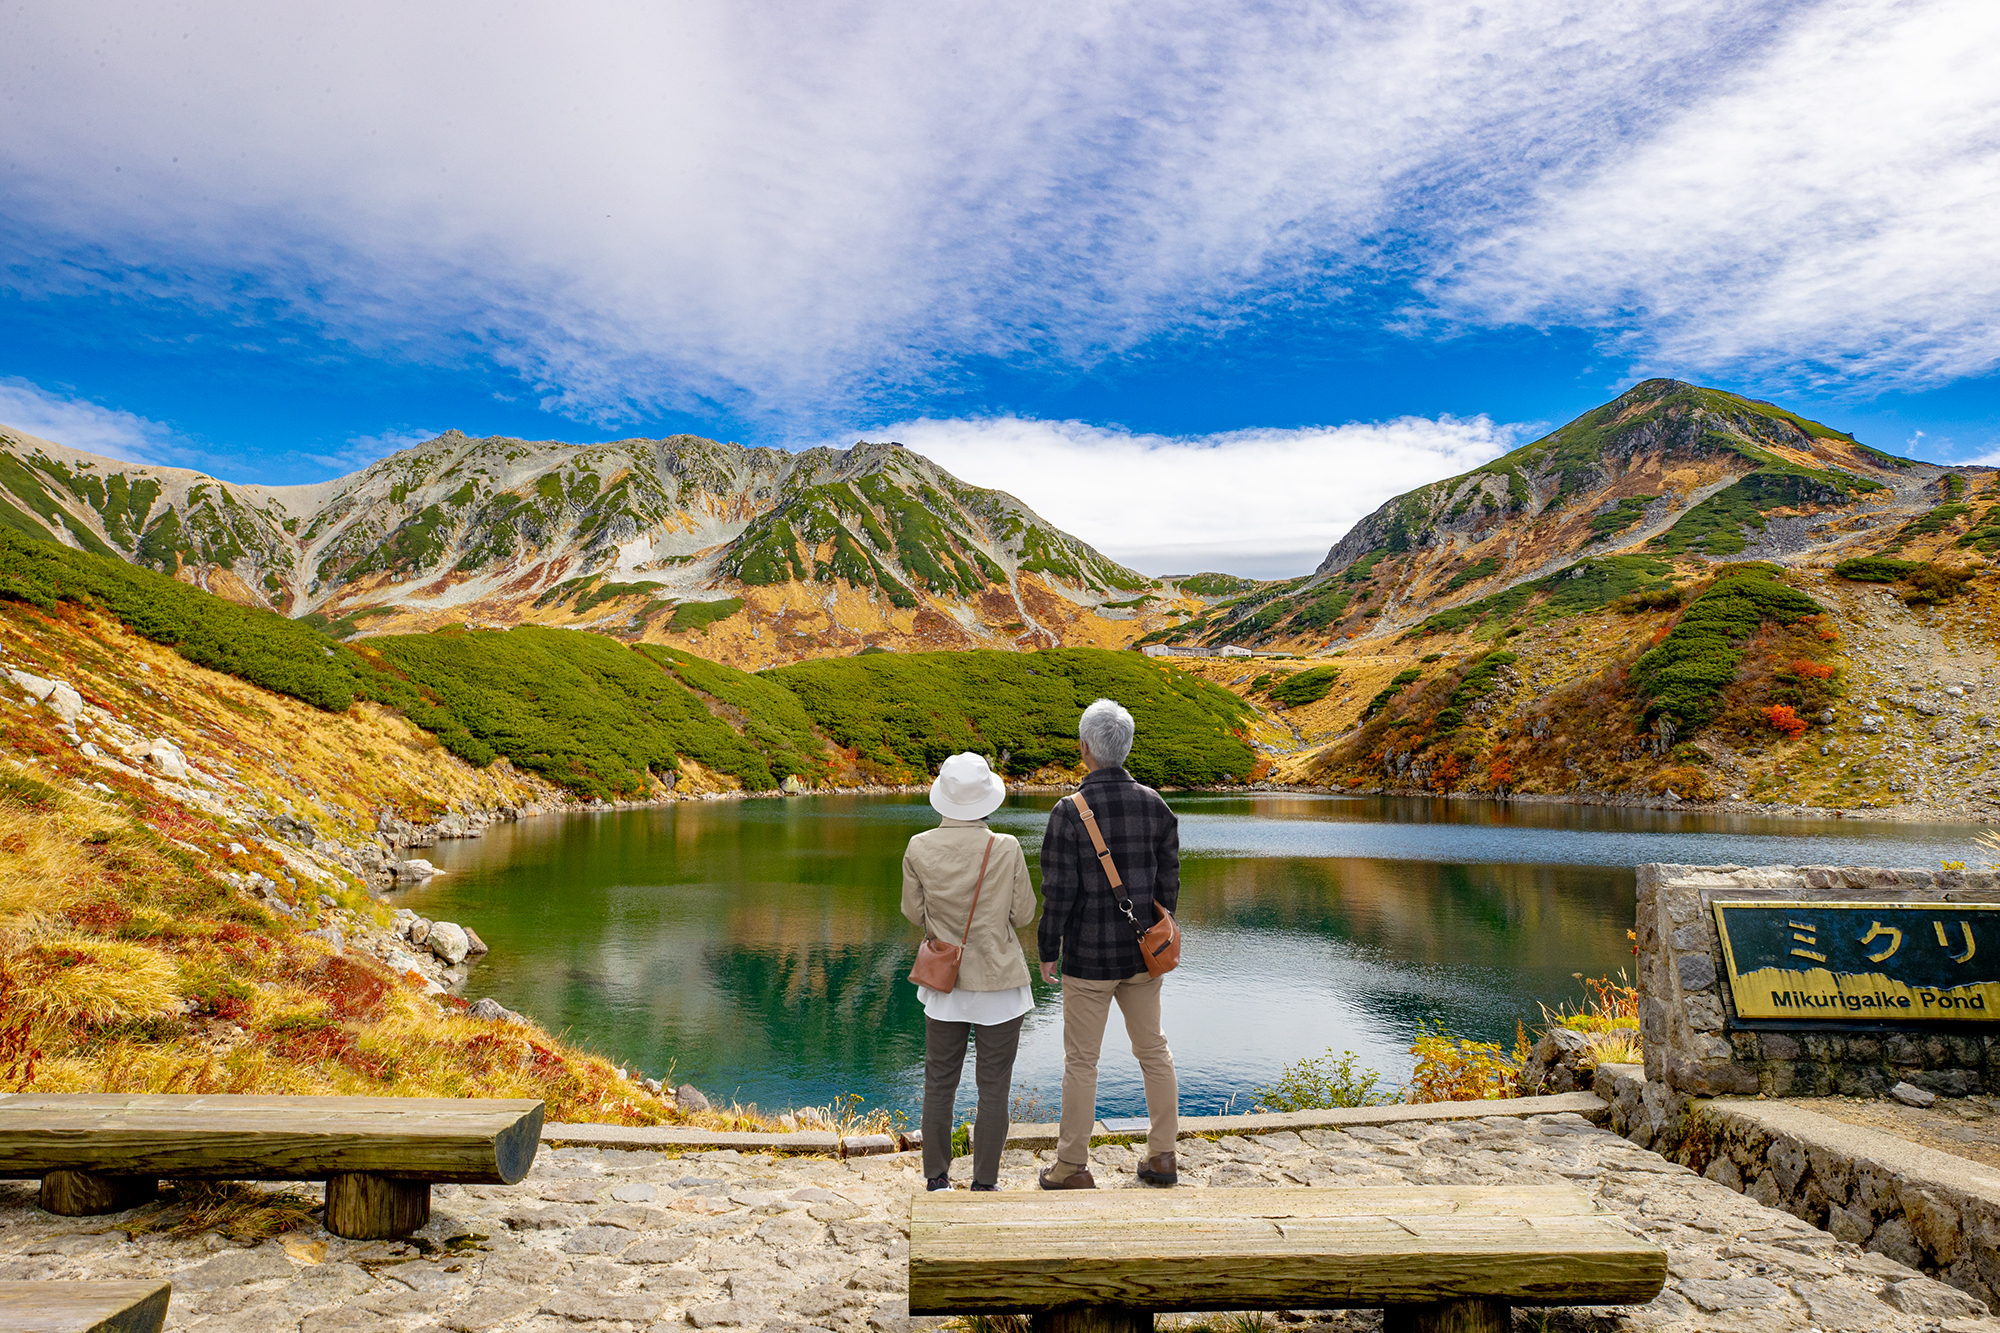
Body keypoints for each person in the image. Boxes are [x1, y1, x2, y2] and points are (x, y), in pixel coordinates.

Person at [1036, 697, 1180, 1189]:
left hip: (1087, 958)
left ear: (1085, 750)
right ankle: (1162, 1157)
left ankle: (1072, 1167)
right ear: (1126, 746)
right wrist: (1155, 927)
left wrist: (1046, 949)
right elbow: (1169, 886)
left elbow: (1058, 892)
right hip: (1143, 955)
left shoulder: (1067, 811)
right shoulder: (1156, 805)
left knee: (1081, 1062)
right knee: (1154, 1051)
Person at [902, 751, 1038, 1192]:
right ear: (987, 801)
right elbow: (1022, 916)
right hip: (1000, 983)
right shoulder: (1007, 847)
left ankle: (936, 1178)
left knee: (939, 1082)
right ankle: (985, 1182)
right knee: (994, 1088)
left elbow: (911, 911)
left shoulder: (918, 846)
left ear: (942, 798)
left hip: (946, 984)